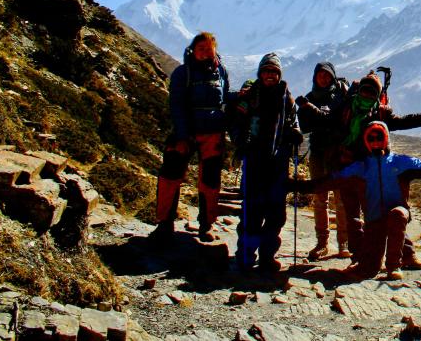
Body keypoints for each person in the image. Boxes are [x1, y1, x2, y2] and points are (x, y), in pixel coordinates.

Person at [295, 70, 421, 264]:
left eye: (371, 92)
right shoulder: (346, 108)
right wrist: (308, 107)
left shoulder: (381, 112)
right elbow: (326, 118)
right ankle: (359, 257)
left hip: (370, 168)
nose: (367, 95)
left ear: (376, 95)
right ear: (359, 91)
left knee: (383, 210)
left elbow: (402, 122)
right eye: (364, 91)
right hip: (347, 166)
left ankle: (405, 254)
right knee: (353, 214)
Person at [315, 121, 421, 280]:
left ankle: (394, 266)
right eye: (371, 139)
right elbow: (328, 181)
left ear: (386, 139)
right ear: (365, 141)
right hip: (374, 221)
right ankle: (372, 261)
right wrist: (293, 185)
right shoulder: (361, 167)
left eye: (379, 137)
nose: (375, 142)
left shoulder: (400, 162)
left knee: (397, 215)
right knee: (368, 271)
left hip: (397, 214)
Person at [150, 32, 231, 244]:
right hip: (185, 133)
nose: (205, 52)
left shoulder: (221, 71)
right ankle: (164, 222)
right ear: (193, 50)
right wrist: (182, 134)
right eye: (201, 48)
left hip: (212, 132)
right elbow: (176, 105)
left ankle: (207, 224)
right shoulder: (182, 73)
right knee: (170, 176)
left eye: (208, 48)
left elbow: (225, 99)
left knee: (210, 180)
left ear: (215, 49)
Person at [231, 53, 303, 273]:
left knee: (275, 212)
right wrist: (241, 142)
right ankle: (245, 255)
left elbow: (295, 123)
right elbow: (236, 124)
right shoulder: (249, 96)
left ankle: (267, 257)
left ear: (279, 74)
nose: (270, 75)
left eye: (274, 72)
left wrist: (295, 134)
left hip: (278, 163)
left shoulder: (286, 98)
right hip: (255, 160)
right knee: (252, 209)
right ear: (260, 73)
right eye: (266, 71)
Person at [296, 62, 351, 261]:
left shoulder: (341, 97)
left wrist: (311, 111)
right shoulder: (310, 98)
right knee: (320, 199)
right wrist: (313, 114)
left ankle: (344, 242)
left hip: (337, 152)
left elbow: (330, 120)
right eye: (320, 75)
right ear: (315, 77)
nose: (324, 79)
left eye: (327, 75)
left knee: (341, 199)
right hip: (318, 152)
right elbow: (305, 126)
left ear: (333, 77)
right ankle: (322, 242)